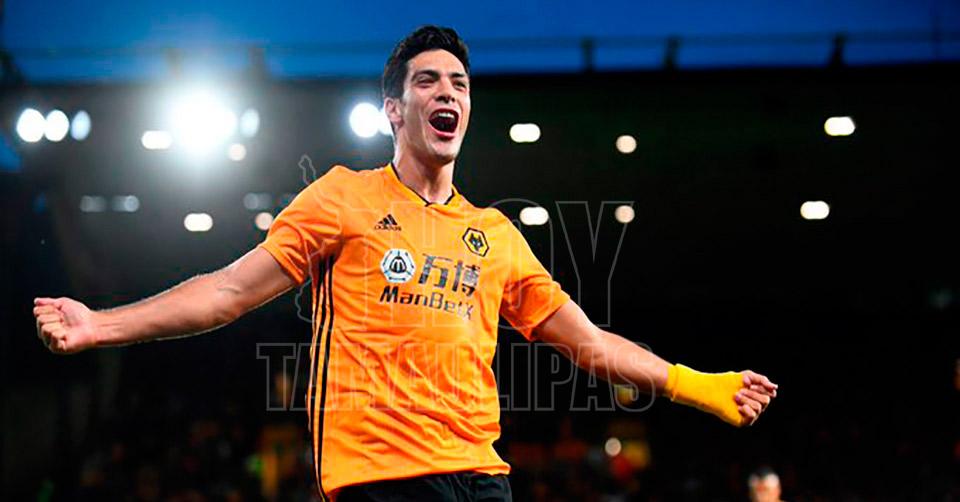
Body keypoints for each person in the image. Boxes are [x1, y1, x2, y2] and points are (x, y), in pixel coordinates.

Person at [33, 25, 778, 502]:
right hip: (381, 481)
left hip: (483, 480)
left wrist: (696, 384)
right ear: (394, 109)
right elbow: (229, 291)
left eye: (459, 84)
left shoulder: (495, 235)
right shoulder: (344, 197)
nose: (447, 92)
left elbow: (587, 342)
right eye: (428, 81)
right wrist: (102, 324)